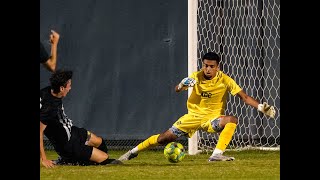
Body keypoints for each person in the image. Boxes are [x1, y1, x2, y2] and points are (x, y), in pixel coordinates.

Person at [118, 52, 276, 162]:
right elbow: (177, 89)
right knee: (163, 138)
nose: (207, 69)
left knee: (232, 120)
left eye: (211, 66)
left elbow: (245, 98)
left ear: (217, 67)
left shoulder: (225, 80)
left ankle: (216, 154)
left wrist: (263, 108)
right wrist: (181, 84)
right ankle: (132, 152)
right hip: (192, 117)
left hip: (212, 119)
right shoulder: (196, 76)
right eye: (205, 65)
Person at [40, 69, 122, 168]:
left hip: (73, 132)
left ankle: (72, 158)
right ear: (62, 88)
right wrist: (44, 159)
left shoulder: (48, 91)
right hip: (69, 146)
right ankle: (70, 160)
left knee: (100, 142)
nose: (70, 88)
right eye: (69, 85)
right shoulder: (49, 108)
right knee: (104, 158)